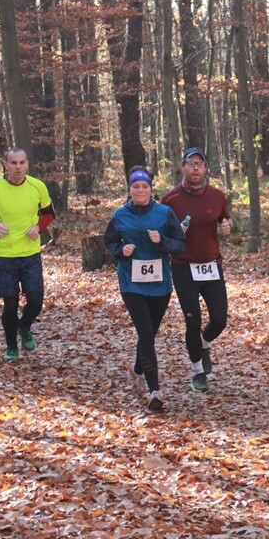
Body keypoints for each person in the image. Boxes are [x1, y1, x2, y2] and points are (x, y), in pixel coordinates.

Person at [104, 167, 187, 412]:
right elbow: (109, 241)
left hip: (160, 284)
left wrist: (161, 241)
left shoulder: (164, 213)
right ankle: (154, 391)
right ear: (129, 189)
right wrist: (120, 251)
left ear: (151, 189)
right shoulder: (120, 214)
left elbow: (180, 244)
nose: (140, 191)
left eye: (144, 187)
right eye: (135, 187)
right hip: (131, 282)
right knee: (147, 334)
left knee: (148, 334)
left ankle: (137, 369)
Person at [0, 147, 55, 362]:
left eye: (22, 162)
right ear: (5, 165)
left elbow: (49, 213)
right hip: (4, 253)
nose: (18, 167)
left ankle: (24, 327)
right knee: (10, 304)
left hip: (30, 253)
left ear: (27, 164)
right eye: (13, 163)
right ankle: (11, 347)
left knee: (35, 301)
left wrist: (38, 227)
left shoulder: (38, 186)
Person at [162, 147, 232, 392]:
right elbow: (163, 232)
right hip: (183, 266)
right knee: (192, 321)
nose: (195, 168)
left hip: (211, 265)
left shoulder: (217, 196)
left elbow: (225, 220)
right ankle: (198, 372)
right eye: (191, 164)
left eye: (199, 164)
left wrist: (227, 227)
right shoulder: (170, 199)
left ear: (205, 169)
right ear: (183, 167)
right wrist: (173, 233)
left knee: (220, 319)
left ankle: (203, 344)